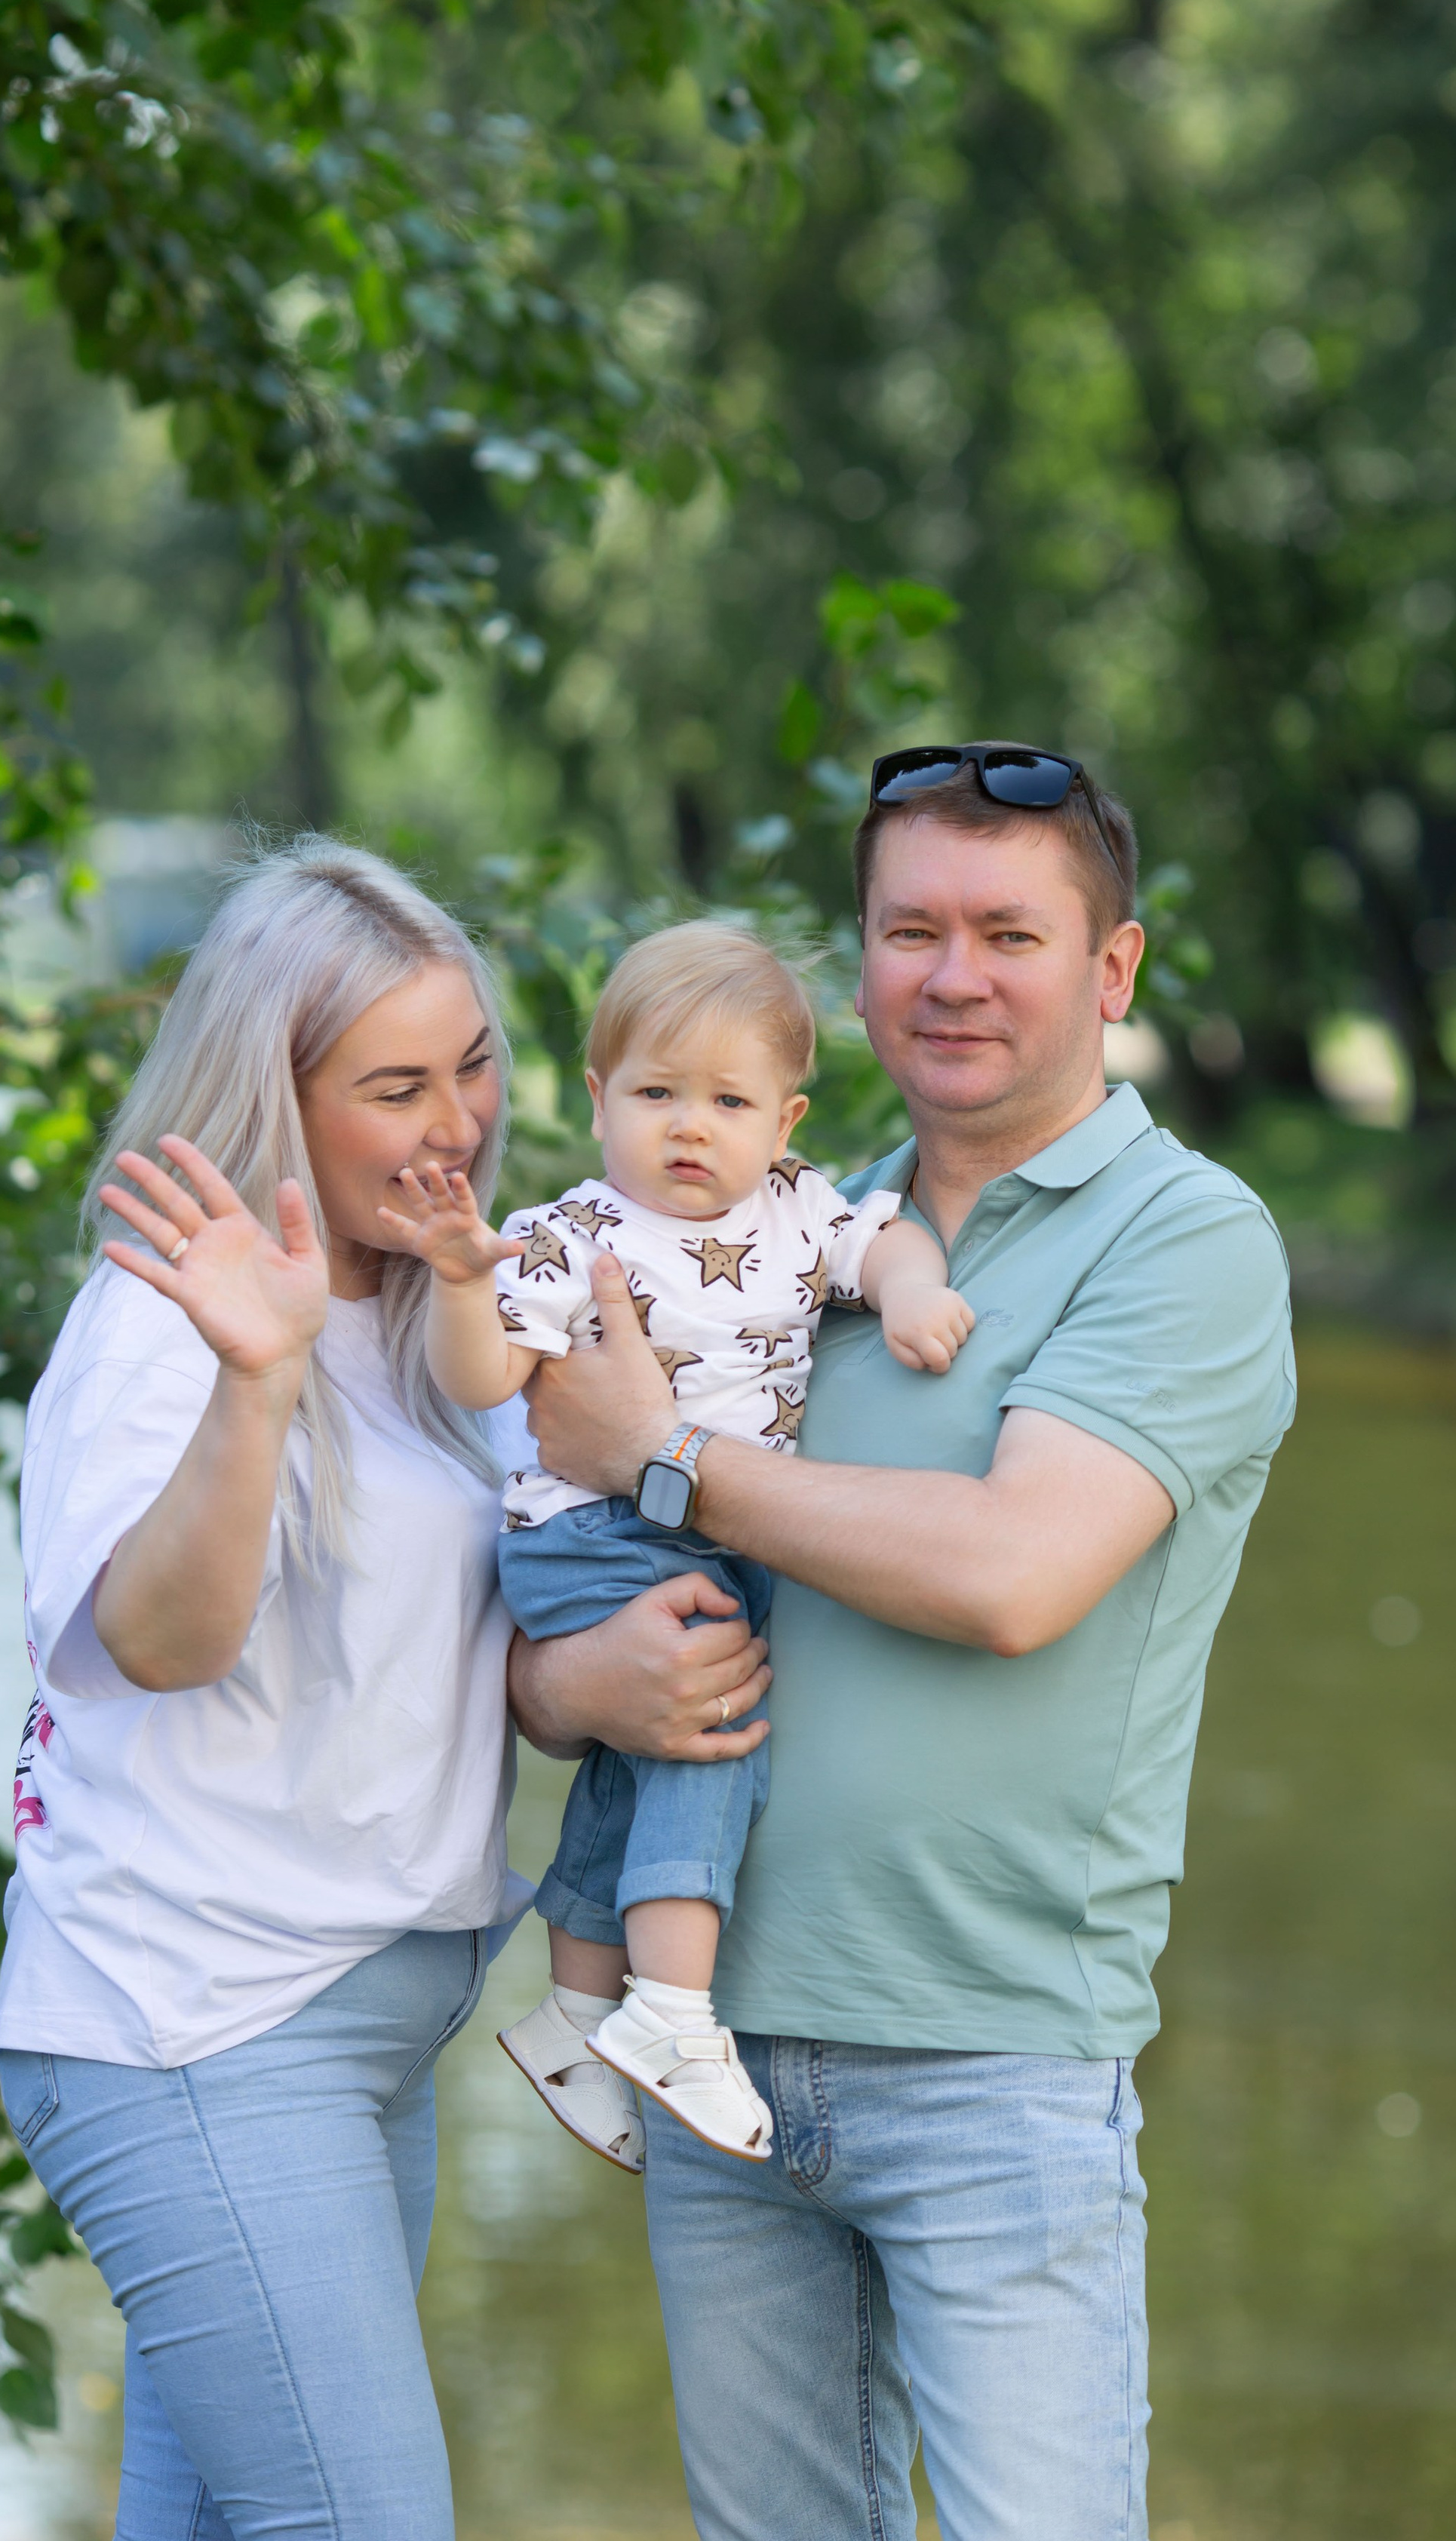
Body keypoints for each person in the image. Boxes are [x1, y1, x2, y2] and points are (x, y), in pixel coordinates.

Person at [510, 744, 1297, 2541]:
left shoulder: (1187, 1241)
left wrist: (666, 1453)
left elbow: (1014, 1570)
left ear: (1111, 970)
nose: (952, 975)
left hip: (991, 2064)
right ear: (858, 968)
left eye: (1008, 933)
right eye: (909, 930)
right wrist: (563, 1685)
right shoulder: (771, 1228)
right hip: (708, 2046)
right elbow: (548, 1561)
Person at [0, 838, 538, 2541]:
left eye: (470, 1064)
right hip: (198, 2025)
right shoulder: (177, 1321)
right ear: (276, 1097)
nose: (453, 1120)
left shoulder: (448, 1308)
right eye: (394, 1086)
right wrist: (257, 1381)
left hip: (363, 2018)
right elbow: (161, 1638)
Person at [380, 919, 972, 2171]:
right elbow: (486, 1375)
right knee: (717, 1717)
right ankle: (675, 2011)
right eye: (656, 1094)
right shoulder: (569, 1233)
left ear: (786, 1118)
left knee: (644, 1757)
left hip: (694, 1523)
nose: (690, 1126)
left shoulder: (802, 1210)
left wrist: (912, 1293)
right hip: (593, 1534)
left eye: (726, 1100)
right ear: (599, 1102)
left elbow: (890, 1236)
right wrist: (455, 1282)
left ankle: (576, 2012)